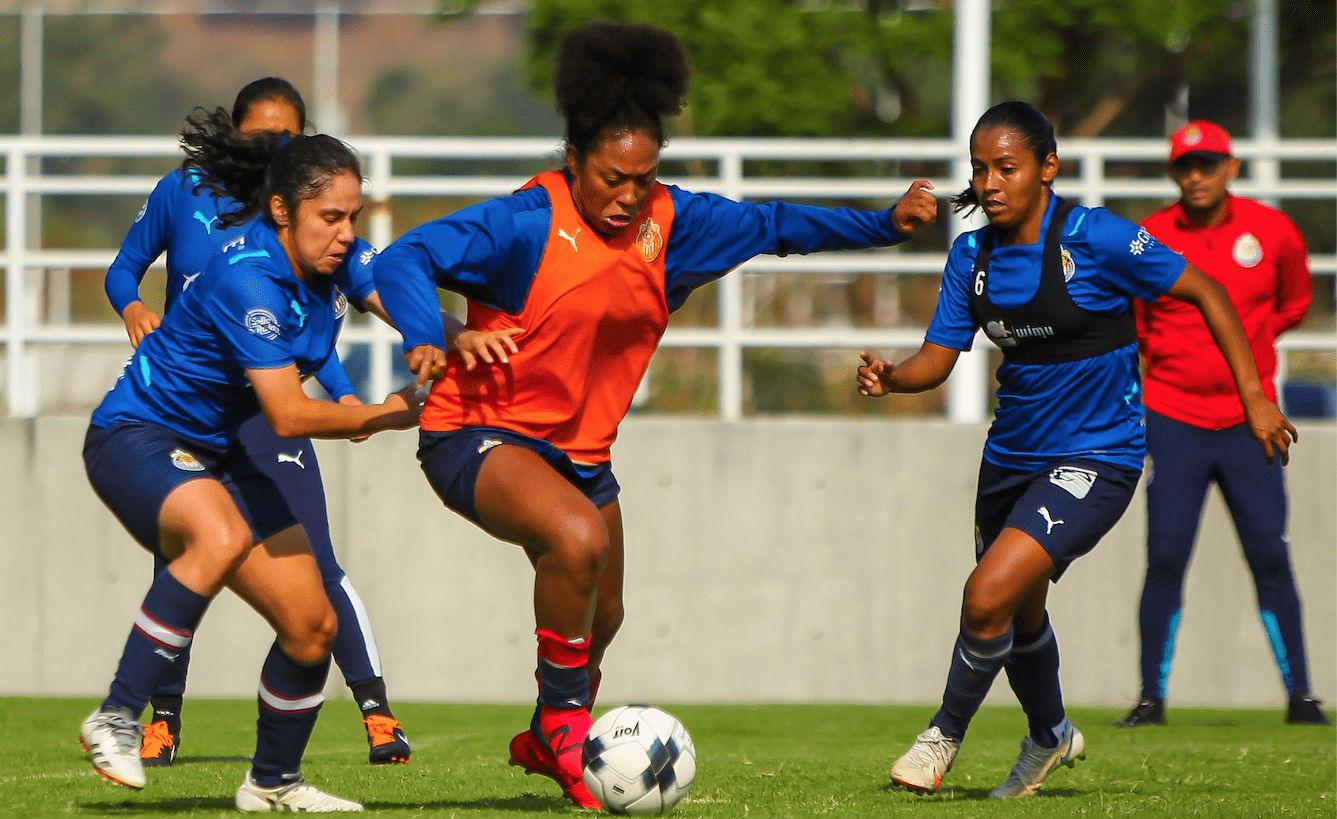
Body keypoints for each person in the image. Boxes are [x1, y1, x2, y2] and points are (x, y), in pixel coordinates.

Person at [370, 20, 938, 809]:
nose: (627, 195)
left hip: (581, 454)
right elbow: (403, 256)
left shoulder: (671, 225)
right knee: (575, 538)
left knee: (606, 611)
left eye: (642, 177)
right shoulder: (523, 222)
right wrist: (432, 335)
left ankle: (543, 730)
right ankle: (570, 727)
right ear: (573, 160)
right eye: (610, 177)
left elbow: (774, 225)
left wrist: (883, 225)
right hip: (475, 431)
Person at [856, 101, 1297, 798]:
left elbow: (1205, 289)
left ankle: (941, 735)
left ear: (1046, 168)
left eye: (1006, 166)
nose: (990, 182)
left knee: (984, 594)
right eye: (979, 168)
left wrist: (1253, 396)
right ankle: (1049, 735)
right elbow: (935, 360)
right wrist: (891, 376)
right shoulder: (970, 255)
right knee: (1016, 611)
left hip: (1098, 455)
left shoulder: (1096, 238)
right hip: (1009, 457)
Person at [80, 117, 422, 811]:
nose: (347, 231)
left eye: (352, 215)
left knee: (312, 623)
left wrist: (465, 343)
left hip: (219, 447)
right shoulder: (248, 279)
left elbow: (398, 292)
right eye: (330, 216)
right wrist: (386, 409)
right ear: (281, 210)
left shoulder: (327, 258)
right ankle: (117, 713)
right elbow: (291, 414)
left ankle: (272, 782)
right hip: (135, 433)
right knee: (220, 536)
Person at [1117, 121, 1329, 728]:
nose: (1196, 177)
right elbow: (1133, 317)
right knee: (1165, 555)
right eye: (1185, 167)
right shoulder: (1151, 236)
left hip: (1248, 421)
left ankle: (1302, 697)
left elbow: (1292, 304)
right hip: (1173, 417)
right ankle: (1150, 699)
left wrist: (1251, 360)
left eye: (1208, 164)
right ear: (1173, 174)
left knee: (1269, 552)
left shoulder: (1272, 231)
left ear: (1231, 168)